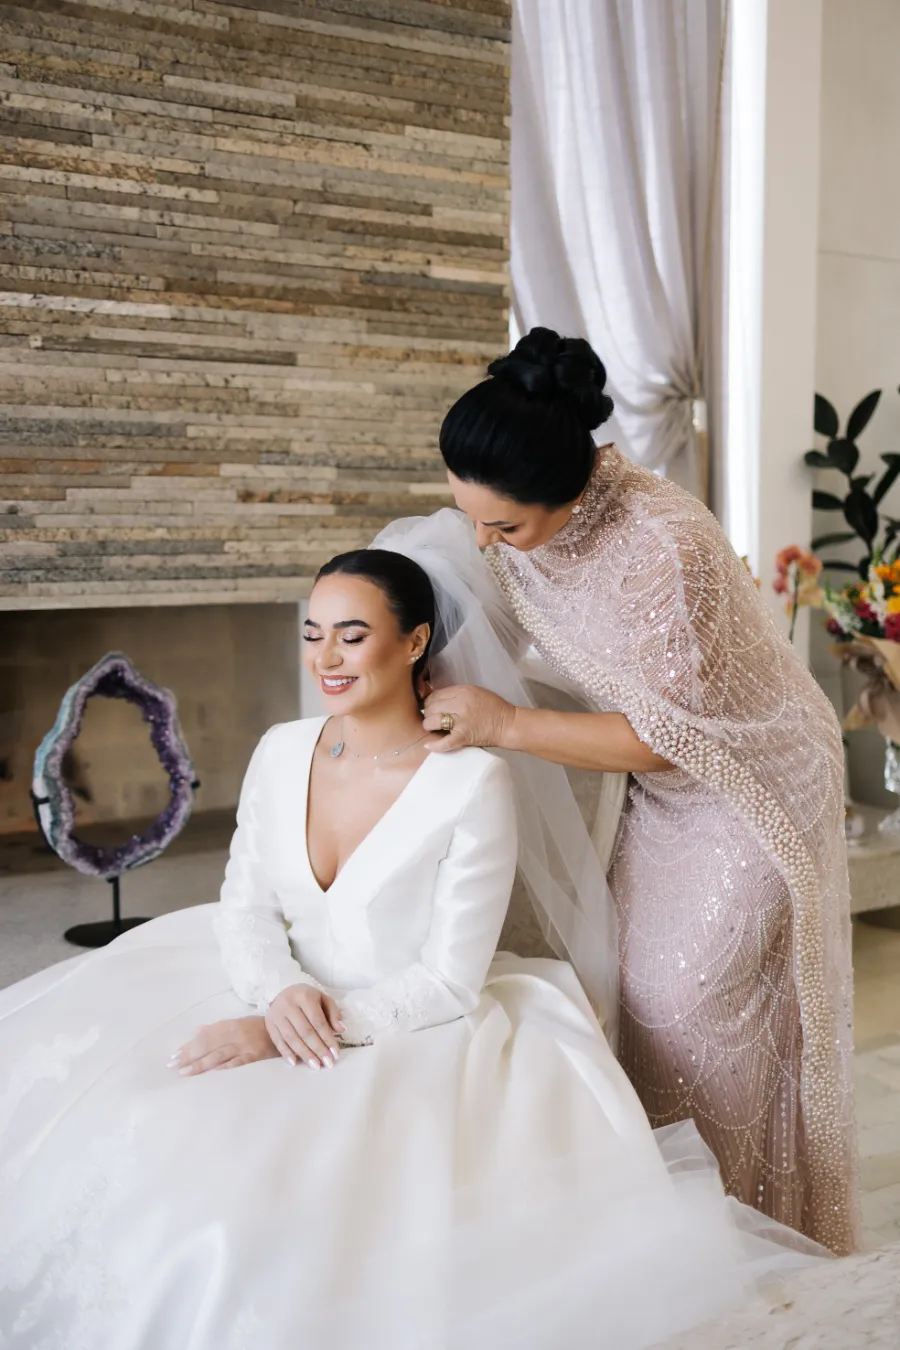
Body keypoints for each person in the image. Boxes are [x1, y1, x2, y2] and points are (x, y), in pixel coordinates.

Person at [0, 537, 821, 1349]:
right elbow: (243, 906)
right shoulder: (280, 749)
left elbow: (449, 980)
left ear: (415, 640)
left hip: (411, 1030)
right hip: (265, 986)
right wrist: (279, 995)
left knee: (247, 1215)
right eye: (314, 633)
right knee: (111, 1126)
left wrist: (291, 1034)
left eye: (352, 635)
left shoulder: (471, 782)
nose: (327, 657)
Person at [421, 325, 858, 1256]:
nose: (485, 542)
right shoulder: (519, 521)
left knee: (688, 998)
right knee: (633, 993)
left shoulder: (664, 546)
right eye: (469, 516)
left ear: (568, 491)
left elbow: (668, 741)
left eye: (504, 527)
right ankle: (672, 1230)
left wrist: (502, 722)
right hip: (663, 787)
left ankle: (751, 1235)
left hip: (755, 782)